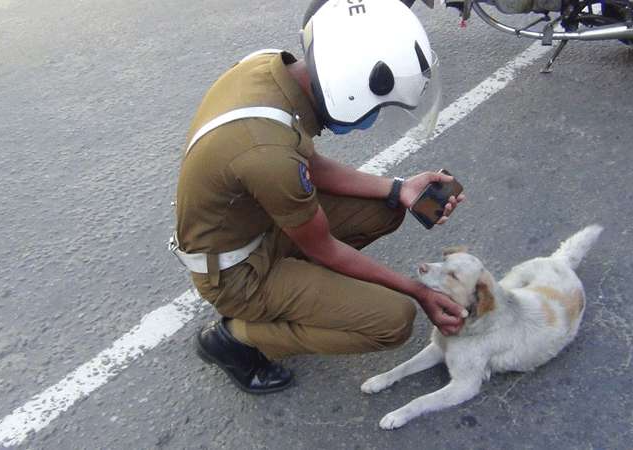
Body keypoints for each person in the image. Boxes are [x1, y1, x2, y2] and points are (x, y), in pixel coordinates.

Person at [173, 0, 467, 394]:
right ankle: (235, 338)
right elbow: (325, 246)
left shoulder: (269, 69)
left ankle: (310, 295)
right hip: (236, 275)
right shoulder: (269, 155)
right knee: (393, 320)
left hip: (258, 221)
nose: (376, 115)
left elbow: (308, 164)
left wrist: (399, 189)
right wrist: (418, 292)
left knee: (387, 208)